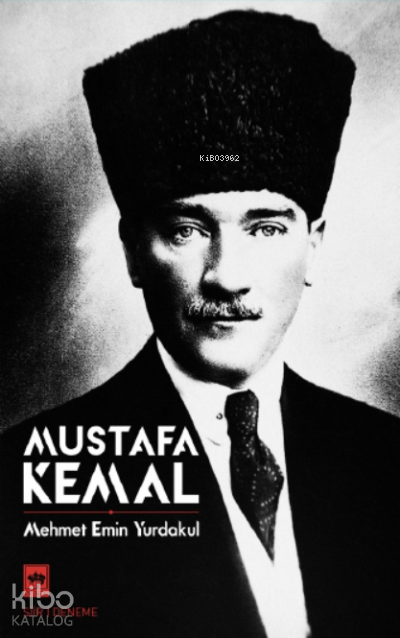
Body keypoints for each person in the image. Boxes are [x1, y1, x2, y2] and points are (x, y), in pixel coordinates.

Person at [1, 10, 399, 638]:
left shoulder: (386, 460)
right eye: (187, 230)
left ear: (314, 246)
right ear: (134, 253)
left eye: (265, 228)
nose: (227, 277)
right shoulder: (26, 481)